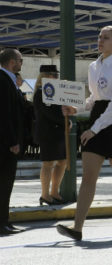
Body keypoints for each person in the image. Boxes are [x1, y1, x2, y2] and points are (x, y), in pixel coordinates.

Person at [57, 26, 112, 240]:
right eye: (99, 37)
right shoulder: (93, 66)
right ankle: (77, 227)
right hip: (98, 121)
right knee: (88, 177)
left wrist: (94, 129)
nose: (100, 40)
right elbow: (94, 99)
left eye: (106, 38)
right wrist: (77, 110)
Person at [33, 65, 67, 206]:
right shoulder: (41, 92)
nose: (55, 77)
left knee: (62, 162)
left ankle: (54, 192)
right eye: (53, 74)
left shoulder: (55, 91)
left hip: (58, 131)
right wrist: (64, 121)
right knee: (48, 163)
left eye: (56, 75)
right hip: (47, 132)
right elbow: (49, 113)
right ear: (45, 76)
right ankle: (45, 194)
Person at [0, 48, 24, 235]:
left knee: (7, 184)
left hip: (8, 141)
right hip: (5, 144)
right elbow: (5, 114)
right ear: (11, 62)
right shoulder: (3, 80)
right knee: (4, 183)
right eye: (20, 60)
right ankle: (2, 223)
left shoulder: (10, 80)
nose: (21, 63)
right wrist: (12, 141)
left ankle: (5, 221)